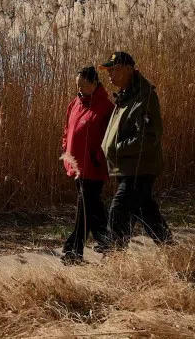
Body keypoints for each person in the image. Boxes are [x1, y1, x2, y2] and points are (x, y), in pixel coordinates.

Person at [99, 51, 172, 248]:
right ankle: (170, 249)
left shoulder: (144, 97)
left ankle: (114, 255)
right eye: (109, 70)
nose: (110, 74)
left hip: (139, 168)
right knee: (145, 209)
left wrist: (117, 149)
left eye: (115, 69)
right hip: (128, 167)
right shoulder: (126, 95)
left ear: (129, 69)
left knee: (119, 208)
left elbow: (149, 137)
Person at [60, 66, 114, 264]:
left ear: (95, 83)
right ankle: (108, 241)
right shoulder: (75, 103)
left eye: (83, 85)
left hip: (94, 166)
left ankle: (73, 251)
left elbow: (110, 138)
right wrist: (65, 148)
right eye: (78, 85)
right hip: (76, 164)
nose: (80, 89)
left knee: (84, 207)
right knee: (92, 206)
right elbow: (67, 129)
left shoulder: (106, 107)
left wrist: (98, 157)